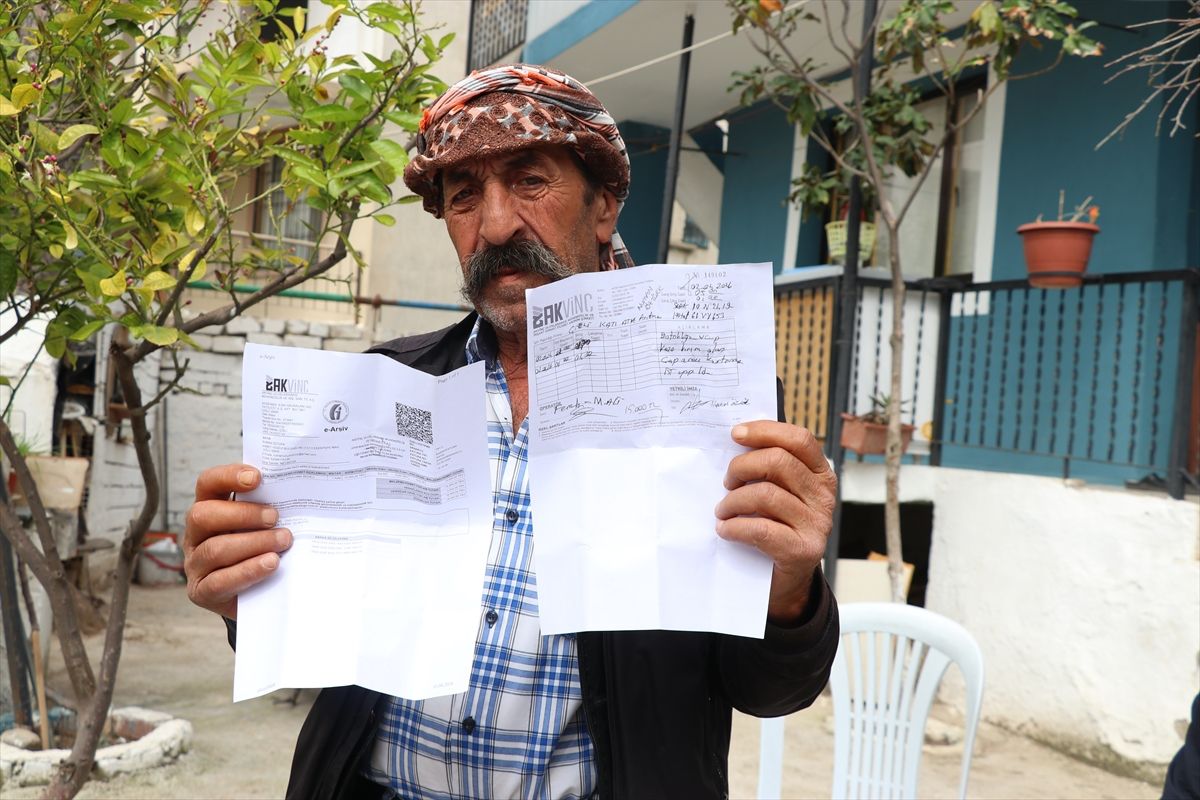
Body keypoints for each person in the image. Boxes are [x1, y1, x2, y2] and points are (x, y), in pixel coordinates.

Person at [183, 64, 840, 800]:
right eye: (464, 196)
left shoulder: (708, 405)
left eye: (530, 181)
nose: (495, 225)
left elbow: (770, 689)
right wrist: (249, 594)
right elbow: (322, 636)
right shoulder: (386, 389)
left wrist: (790, 586)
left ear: (603, 206)